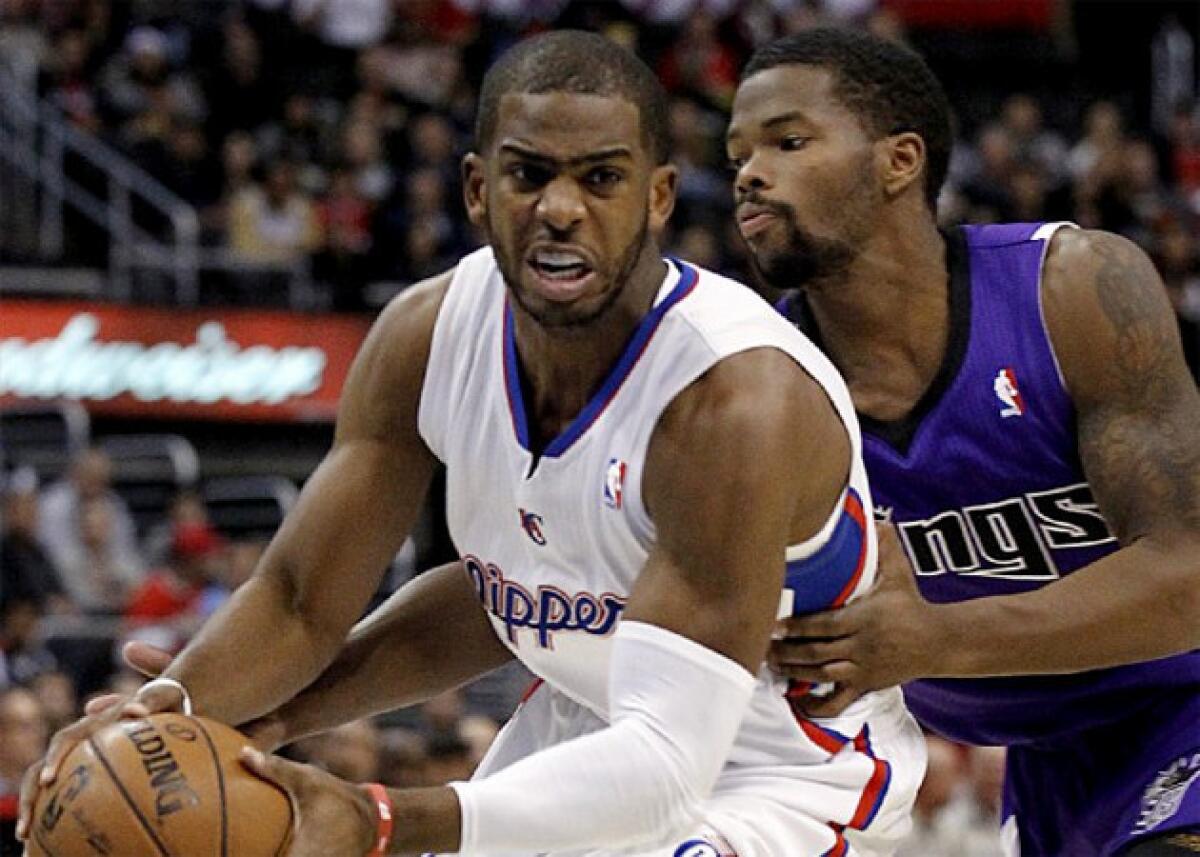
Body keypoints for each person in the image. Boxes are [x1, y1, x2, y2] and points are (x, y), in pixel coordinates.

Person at [21, 31, 925, 857]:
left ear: (657, 199)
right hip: (585, 732)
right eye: (530, 175)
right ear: (477, 190)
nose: (561, 209)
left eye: (601, 179)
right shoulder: (425, 335)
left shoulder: (733, 398)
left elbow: (663, 771)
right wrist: (172, 711)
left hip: (778, 772)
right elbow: (312, 600)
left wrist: (380, 818)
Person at [725, 27, 1200, 857]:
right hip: (1042, 762)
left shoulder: (1071, 290)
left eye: (788, 141)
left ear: (899, 161)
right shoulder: (756, 389)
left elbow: (1190, 573)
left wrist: (937, 638)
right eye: (736, 153)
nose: (748, 174)